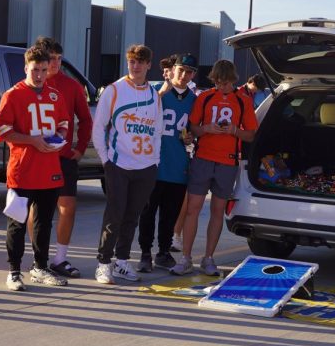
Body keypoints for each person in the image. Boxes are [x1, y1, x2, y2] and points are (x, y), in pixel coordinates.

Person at [174, 59, 257, 276]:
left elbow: (251, 134)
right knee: (193, 208)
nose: (222, 87)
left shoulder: (243, 101)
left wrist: (234, 131)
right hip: (202, 158)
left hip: (227, 162)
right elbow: (192, 127)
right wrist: (207, 128)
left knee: (217, 211)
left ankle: (209, 258)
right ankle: (185, 257)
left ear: (233, 80)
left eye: (226, 84)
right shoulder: (205, 97)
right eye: (218, 83)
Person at [0, 45, 67, 290]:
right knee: (17, 221)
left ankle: (40, 266)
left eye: (44, 70)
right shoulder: (13, 94)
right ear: (26, 67)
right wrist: (33, 140)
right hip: (22, 170)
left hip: (49, 168)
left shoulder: (55, 94)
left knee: (44, 222)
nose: (39, 75)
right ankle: (14, 271)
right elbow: (3, 130)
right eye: (35, 69)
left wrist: (59, 137)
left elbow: (64, 123)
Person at [91, 44, 162, 284]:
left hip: (145, 166)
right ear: (127, 63)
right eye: (132, 61)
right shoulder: (114, 90)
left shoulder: (154, 93)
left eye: (141, 62)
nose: (136, 66)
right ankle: (103, 263)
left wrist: (154, 161)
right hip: (118, 164)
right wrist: (106, 159)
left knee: (132, 216)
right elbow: (98, 127)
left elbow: (157, 130)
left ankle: (122, 261)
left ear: (149, 65)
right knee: (114, 215)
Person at [34, 37, 93, 279]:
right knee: (37, 210)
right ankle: (39, 259)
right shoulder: (29, 86)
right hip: (37, 158)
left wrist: (79, 149)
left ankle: (60, 258)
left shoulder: (72, 86)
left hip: (64, 157)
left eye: (59, 58)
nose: (56, 63)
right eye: (51, 58)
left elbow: (86, 119)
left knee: (67, 206)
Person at [138, 53, 197, 272]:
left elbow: (193, 129)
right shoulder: (155, 92)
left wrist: (192, 137)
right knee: (147, 211)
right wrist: (160, 95)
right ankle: (145, 252)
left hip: (178, 163)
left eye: (189, 72)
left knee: (170, 213)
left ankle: (163, 252)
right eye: (181, 70)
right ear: (172, 70)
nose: (184, 75)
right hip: (153, 164)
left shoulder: (194, 100)